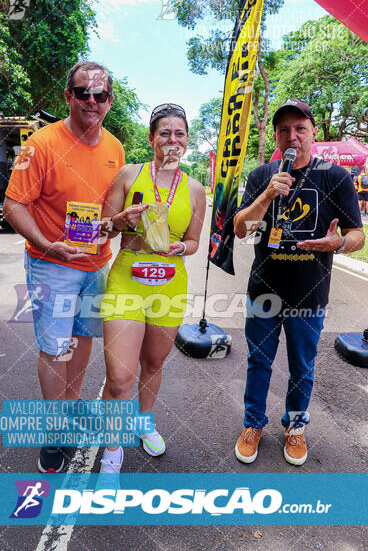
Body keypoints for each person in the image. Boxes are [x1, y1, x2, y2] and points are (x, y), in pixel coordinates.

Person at [3, 61, 125, 472]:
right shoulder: (41, 144)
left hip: (96, 263)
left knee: (83, 338)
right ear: (68, 96)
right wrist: (47, 244)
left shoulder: (115, 147)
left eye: (101, 95)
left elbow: (114, 210)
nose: (93, 101)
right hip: (51, 264)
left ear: (109, 101)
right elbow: (13, 205)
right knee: (55, 347)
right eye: (83, 93)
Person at [233, 99, 365, 466]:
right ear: (276, 136)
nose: (292, 136)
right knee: (258, 361)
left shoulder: (334, 177)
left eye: (300, 129)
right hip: (264, 292)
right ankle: (253, 424)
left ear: (313, 133)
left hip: (309, 294)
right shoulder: (262, 175)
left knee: (302, 367)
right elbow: (241, 228)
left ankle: (294, 427)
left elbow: (357, 235)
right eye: (284, 130)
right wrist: (267, 195)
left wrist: (337, 243)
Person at [97, 103, 206, 479]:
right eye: (165, 133)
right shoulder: (130, 175)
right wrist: (118, 220)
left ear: (186, 141)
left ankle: (144, 421)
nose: (172, 140)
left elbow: (193, 242)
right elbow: (99, 228)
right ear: (152, 138)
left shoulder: (194, 189)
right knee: (120, 376)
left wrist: (182, 248)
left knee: (154, 363)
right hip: (128, 277)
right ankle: (112, 450)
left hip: (169, 282)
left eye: (179, 134)